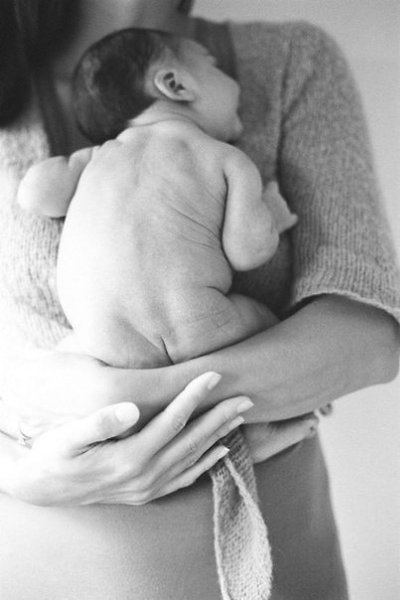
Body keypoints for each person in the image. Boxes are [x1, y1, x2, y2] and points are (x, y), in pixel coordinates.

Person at [0, 1, 399, 599]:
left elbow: (367, 340)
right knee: (254, 319)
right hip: (49, 570)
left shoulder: (291, 60)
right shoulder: (224, 158)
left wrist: (114, 398)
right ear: (176, 83)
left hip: (278, 561)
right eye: (214, 70)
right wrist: (20, 475)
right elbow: (250, 248)